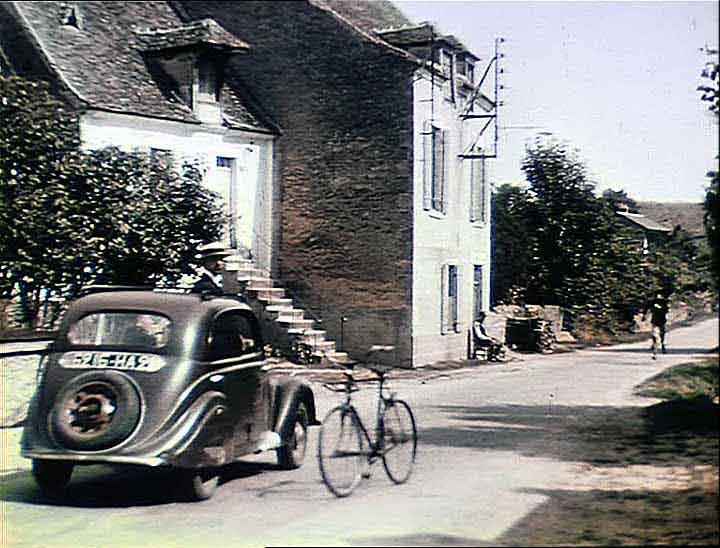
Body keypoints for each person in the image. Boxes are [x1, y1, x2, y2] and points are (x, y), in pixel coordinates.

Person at [645, 291, 669, 359]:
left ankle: (662, 344)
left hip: (662, 320)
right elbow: (648, 308)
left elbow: (666, 310)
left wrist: (660, 308)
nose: (659, 296)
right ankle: (655, 346)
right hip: (655, 321)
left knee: (662, 333)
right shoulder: (653, 302)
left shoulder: (664, 302)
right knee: (655, 334)